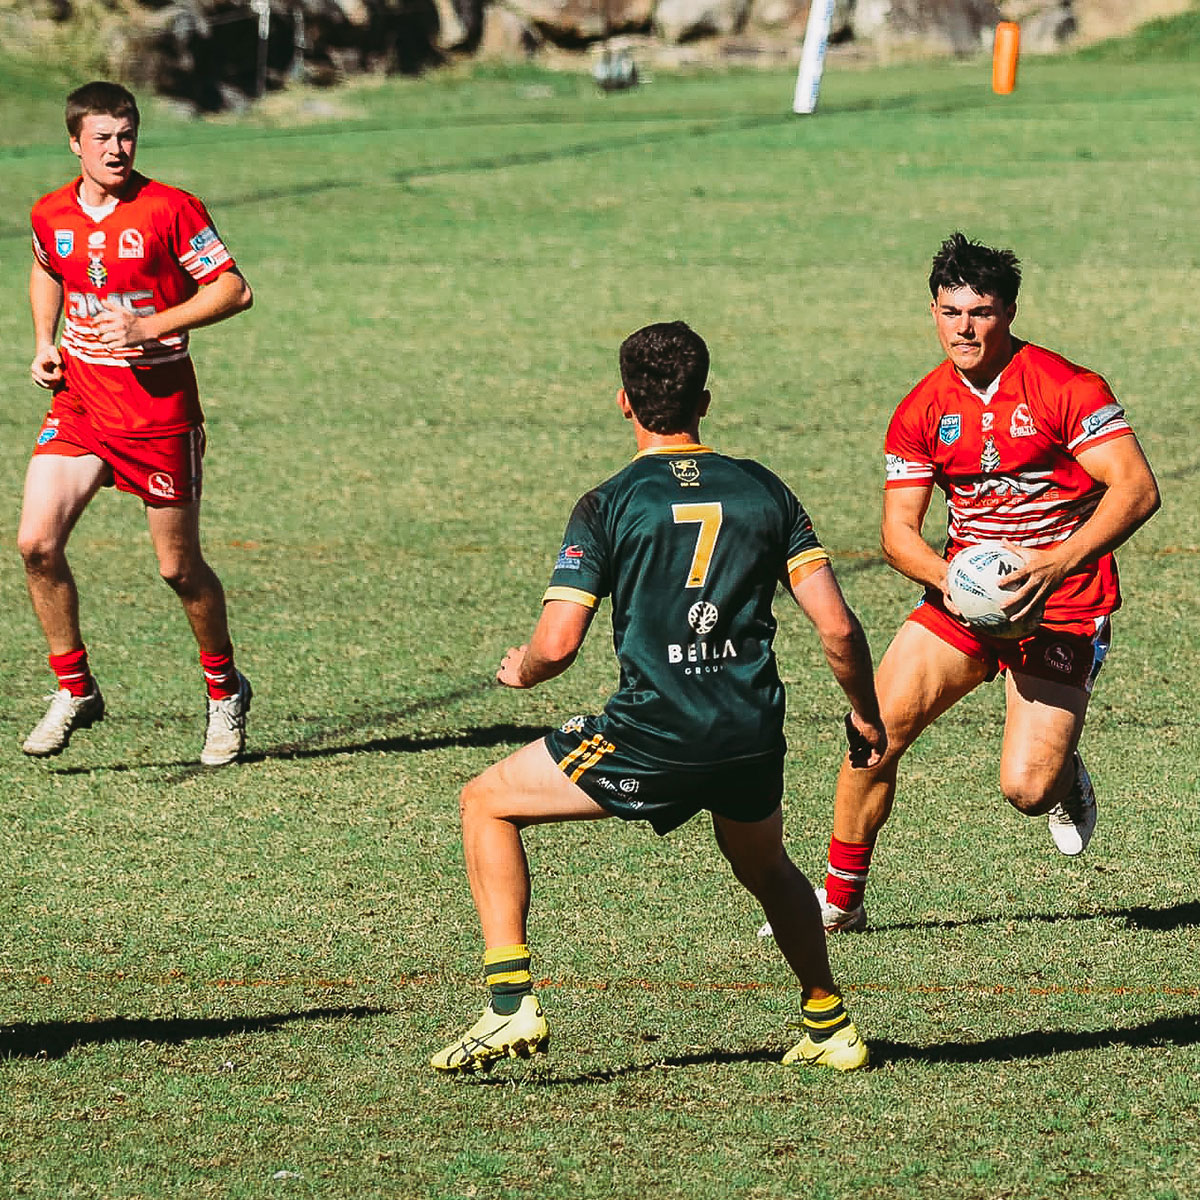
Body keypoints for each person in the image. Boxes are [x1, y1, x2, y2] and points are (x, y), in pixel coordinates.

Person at [430, 321, 886, 1076]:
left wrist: (524, 672)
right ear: (704, 400)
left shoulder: (609, 503)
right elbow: (837, 627)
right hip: (748, 731)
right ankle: (829, 1024)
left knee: (486, 802)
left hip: (657, 732)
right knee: (769, 867)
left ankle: (509, 1006)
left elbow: (558, 642)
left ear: (623, 402)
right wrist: (865, 712)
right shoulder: (764, 489)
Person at [816, 232, 1161, 933]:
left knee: (1027, 789)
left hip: (1064, 600)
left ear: (1008, 313)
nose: (964, 328)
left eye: (980, 312)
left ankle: (1064, 777)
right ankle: (839, 903)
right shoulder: (921, 409)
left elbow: (1135, 490)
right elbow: (897, 534)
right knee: (871, 734)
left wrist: (1056, 562)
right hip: (964, 602)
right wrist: (958, 582)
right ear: (934, 314)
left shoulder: (1067, 387)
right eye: (950, 312)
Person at [18, 81, 254, 766]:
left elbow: (233, 289)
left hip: (156, 413)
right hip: (82, 407)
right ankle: (75, 688)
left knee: (178, 570)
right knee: (35, 544)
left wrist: (151, 324)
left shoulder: (170, 209)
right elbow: (46, 267)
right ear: (75, 143)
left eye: (127, 135)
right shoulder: (50, 212)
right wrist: (44, 341)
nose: (118, 149)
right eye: (103, 139)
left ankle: (224, 691)